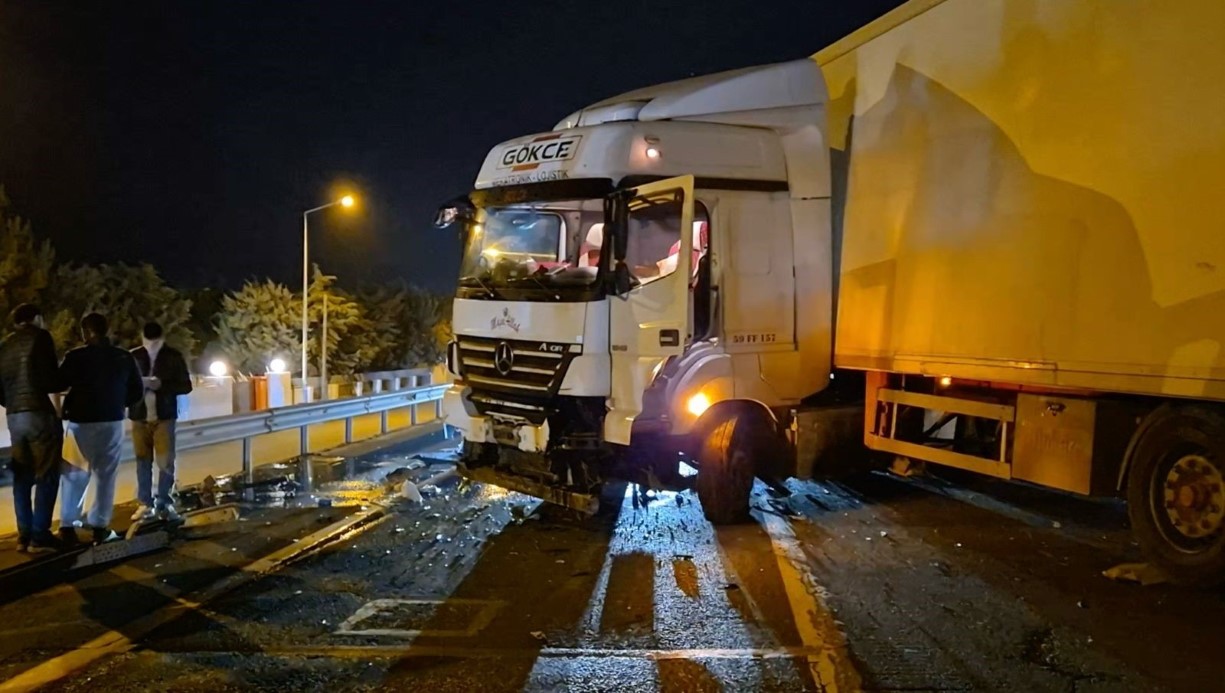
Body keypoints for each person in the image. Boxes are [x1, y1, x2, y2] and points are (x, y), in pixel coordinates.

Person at [59, 313, 142, 544]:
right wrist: (117, 403)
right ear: (106, 330)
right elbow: (137, 390)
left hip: (81, 422)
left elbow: (58, 382)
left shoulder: (76, 357)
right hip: (112, 420)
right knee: (106, 475)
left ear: (86, 332)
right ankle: (100, 525)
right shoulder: (124, 357)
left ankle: (68, 525)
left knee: (74, 473)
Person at [0, 305, 64, 552]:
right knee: (47, 474)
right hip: (39, 413)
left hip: (15, 416)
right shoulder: (41, 337)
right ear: (37, 318)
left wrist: (14, 402)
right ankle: (40, 535)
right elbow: (50, 379)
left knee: (22, 476)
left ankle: (23, 534)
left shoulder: (4, 345)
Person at [128, 322, 192, 522]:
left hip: (163, 416)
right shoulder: (134, 356)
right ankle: (146, 503)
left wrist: (161, 385)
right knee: (143, 461)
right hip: (140, 415)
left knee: (164, 462)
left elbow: (185, 386)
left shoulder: (171, 356)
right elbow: (126, 384)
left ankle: (163, 502)